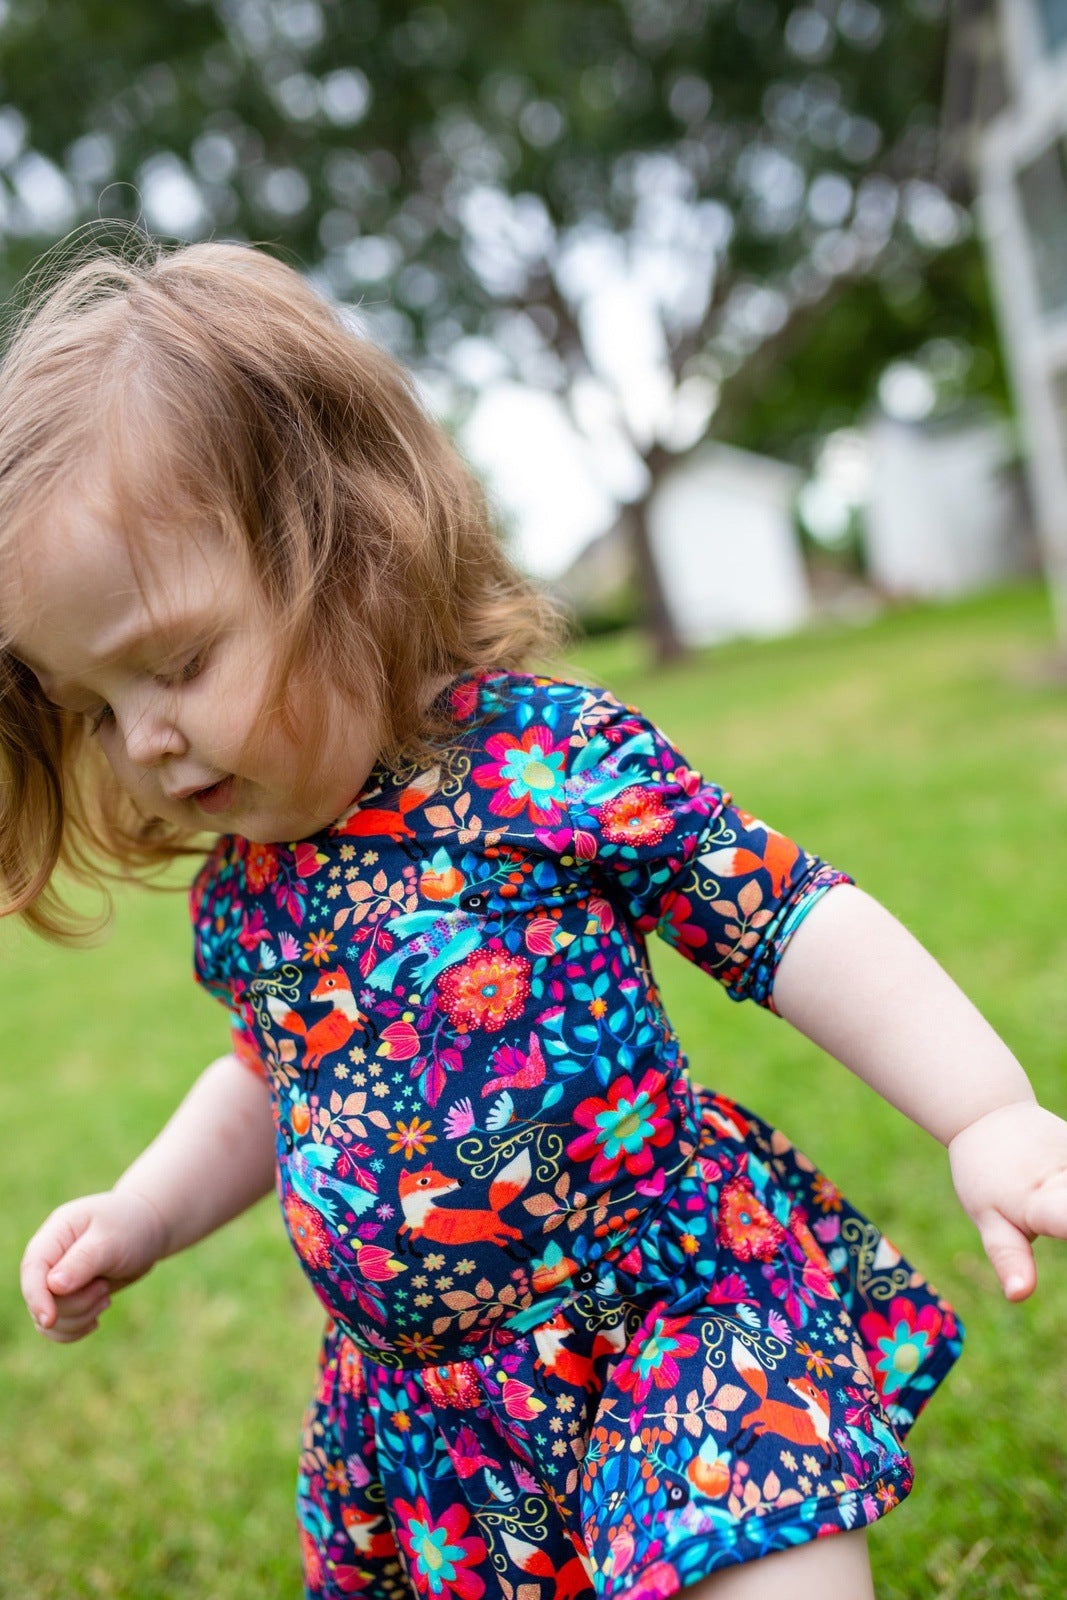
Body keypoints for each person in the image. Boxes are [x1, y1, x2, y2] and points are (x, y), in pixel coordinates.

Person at [6, 240, 1066, 1600]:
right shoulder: (247, 897)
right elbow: (264, 1084)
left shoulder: (543, 765)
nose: (144, 737)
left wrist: (982, 1110)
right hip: (443, 1429)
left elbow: (788, 918)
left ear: (355, 554)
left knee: (766, 1564)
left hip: (670, 1319)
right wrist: (142, 1213)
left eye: (178, 662)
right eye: (94, 706)